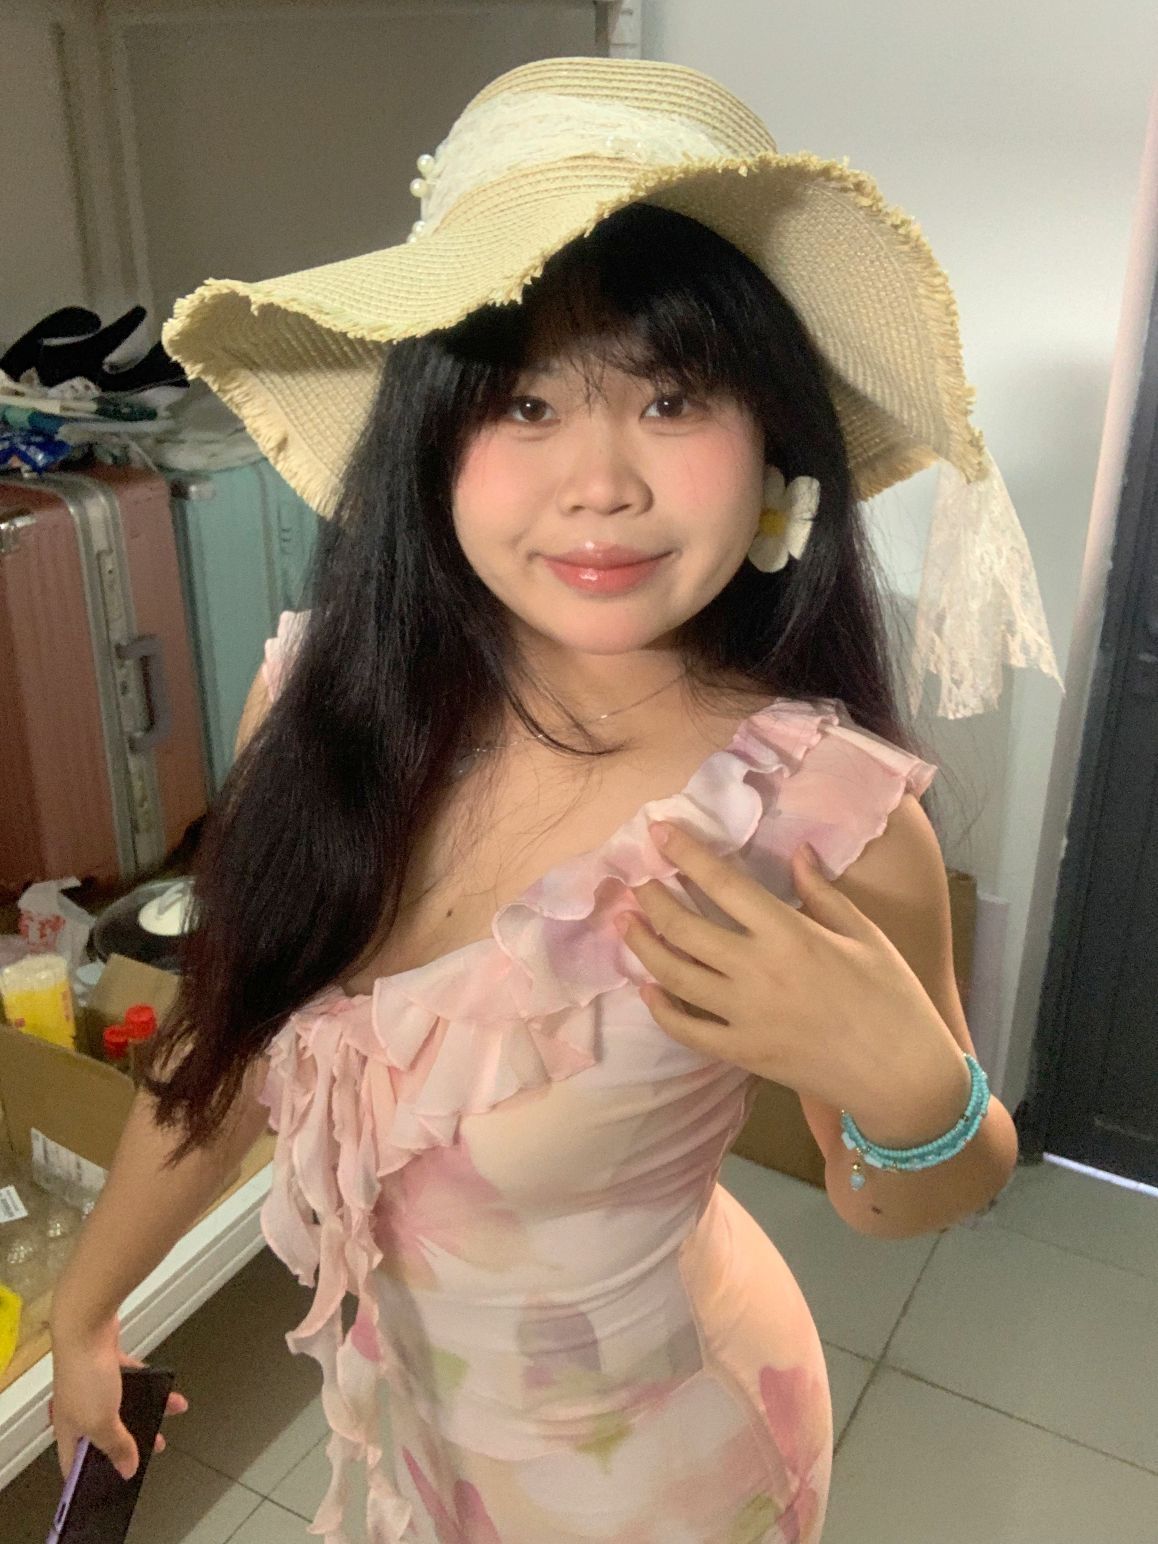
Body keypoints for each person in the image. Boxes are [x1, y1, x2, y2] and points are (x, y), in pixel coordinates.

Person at [49, 56, 1056, 1544]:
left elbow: (893, 1195)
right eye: (524, 401)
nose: (599, 484)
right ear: (431, 441)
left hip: (669, 1478)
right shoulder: (319, 703)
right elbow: (232, 1029)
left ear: (771, 444)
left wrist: (916, 1098)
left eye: (670, 398)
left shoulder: (805, 810)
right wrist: (86, 1306)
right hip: (410, 1436)